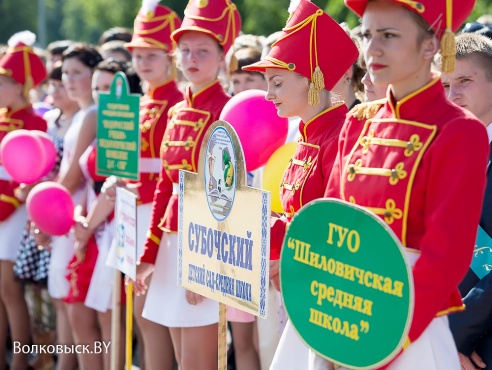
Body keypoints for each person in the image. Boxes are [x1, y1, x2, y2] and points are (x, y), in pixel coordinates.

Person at [323, 0, 488, 368]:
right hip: (342, 315)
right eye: (367, 34)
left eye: (389, 35)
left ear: (431, 45)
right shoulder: (358, 122)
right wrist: (327, 317)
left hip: (409, 331)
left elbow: (446, 257)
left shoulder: (459, 130)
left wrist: (385, 340)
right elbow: (331, 223)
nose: (372, 49)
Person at [243, 1, 359, 369]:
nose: (267, 94)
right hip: (301, 289)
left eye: (276, 83)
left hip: (330, 298)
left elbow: (333, 230)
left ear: (312, 82)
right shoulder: (309, 136)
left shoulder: (341, 137)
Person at [133, 1, 241, 369]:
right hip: (171, 242)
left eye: (204, 51)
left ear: (223, 58)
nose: (192, 58)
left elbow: (225, 197)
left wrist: (205, 268)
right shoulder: (178, 110)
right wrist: (148, 255)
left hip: (204, 245)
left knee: (197, 362)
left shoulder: (227, 110)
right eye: (186, 50)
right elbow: (165, 185)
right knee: (181, 356)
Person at [98, 3, 184, 370]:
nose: (144, 62)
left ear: (170, 58)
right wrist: (118, 180)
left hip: (157, 214)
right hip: (132, 211)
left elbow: (172, 172)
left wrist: (138, 190)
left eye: (152, 55)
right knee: (139, 310)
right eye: (138, 55)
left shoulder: (177, 103)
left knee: (156, 312)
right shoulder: (140, 102)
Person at [13, 60, 79, 370]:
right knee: (44, 290)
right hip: (43, 211)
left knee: (66, 293)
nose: (56, 89)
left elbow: (69, 175)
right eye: (54, 83)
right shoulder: (51, 120)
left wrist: (45, 205)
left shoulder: (84, 119)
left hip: (64, 212)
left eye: (62, 83)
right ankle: (44, 354)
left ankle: (65, 358)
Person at [438, 32, 492, 370]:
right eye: (444, 85)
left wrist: (453, 335)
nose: (452, 95)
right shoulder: (440, 151)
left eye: (464, 81)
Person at [0, 30, 48, 370]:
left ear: (20, 85)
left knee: (9, 288)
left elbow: (30, 172)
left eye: (3, 81)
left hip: (14, 210)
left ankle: (20, 360)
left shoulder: (36, 122)